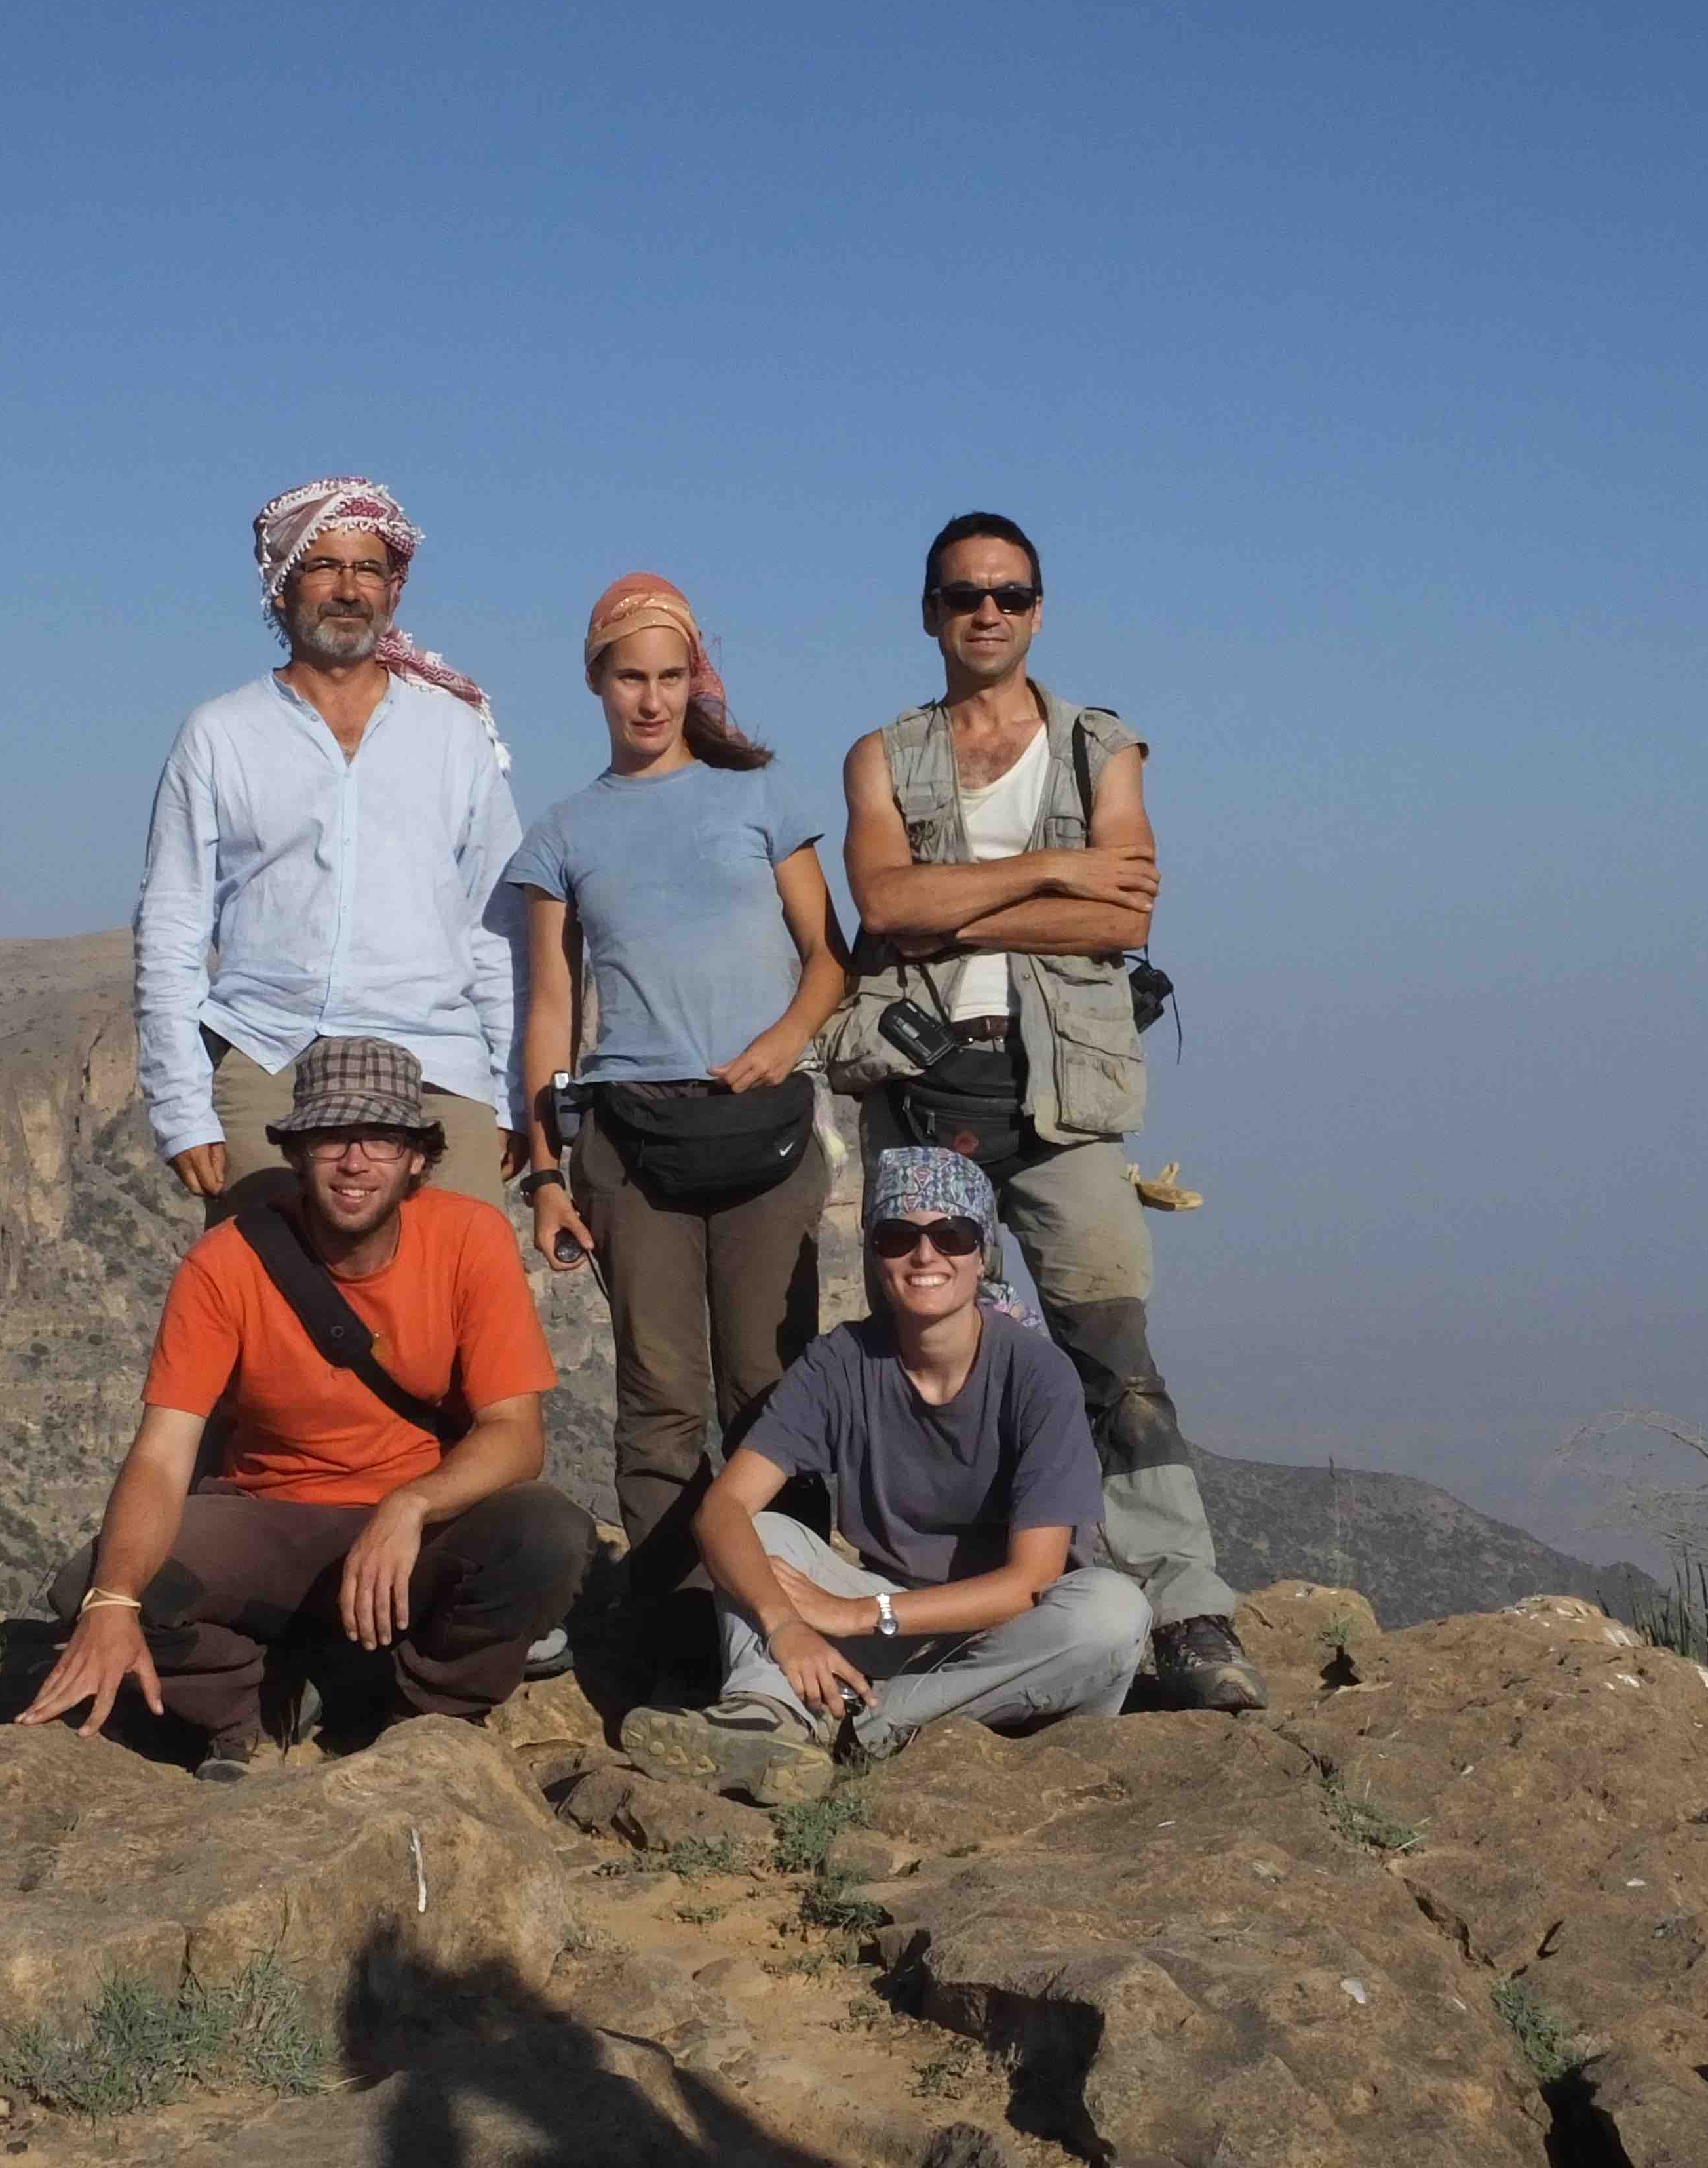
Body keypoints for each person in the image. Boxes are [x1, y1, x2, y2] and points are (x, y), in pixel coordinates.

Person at [822, 510, 1264, 1714]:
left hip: (1063, 1092)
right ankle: (945, 1594)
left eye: (1009, 595)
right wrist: (1046, 869)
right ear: (928, 611)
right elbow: (880, 903)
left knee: (1111, 1356)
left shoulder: (1100, 749)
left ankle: (1184, 1610)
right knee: (926, 1353)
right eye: (963, 594)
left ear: (1036, 610)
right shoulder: (882, 755)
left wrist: (959, 899)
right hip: (922, 1082)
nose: (986, 612)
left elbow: (1121, 920)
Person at [17, 1038, 592, 1775]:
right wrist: (115, 1600)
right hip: (274, 1515)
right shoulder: (226, 1261)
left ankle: (425, 1720)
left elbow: (516, 1436)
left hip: (417, 1532)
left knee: (547, 1536)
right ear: (296, 1152)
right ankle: (250, 1709)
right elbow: (163, 1455)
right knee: (93, 1587)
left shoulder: (468, 1237)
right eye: (330, 1138)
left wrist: (410, 1505)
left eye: (381, 1138)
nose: (355, 1163)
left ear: (418, 1156)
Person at [505, 574, 847, 1642]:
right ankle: (679, 1634)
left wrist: (782, 1041)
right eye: (627, 678)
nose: (649, 700)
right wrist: (549, 1172)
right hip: (627, 1143)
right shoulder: (563, 833)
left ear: (691, 678)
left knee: (768, 1385)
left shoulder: (761, 798)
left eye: (667, 676)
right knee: (658, 1394)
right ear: (596, 683)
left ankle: (795, 1616)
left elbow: (826, 958)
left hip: (765, 1133)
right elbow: (549, 1011)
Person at [618, 1147, 1153, 1805]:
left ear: (981, 1253)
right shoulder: (842, 1362)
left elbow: (1031, 1582)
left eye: (950, 1235)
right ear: (875, 1253)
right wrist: (787, 1624)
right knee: (767, 1534)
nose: (925, 1256)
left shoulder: (1037, 1375)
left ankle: (868, 1724)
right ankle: (764, 1716)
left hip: (1005, 1645)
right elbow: (723, 1511)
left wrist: (856, 1614)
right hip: (891, 1621)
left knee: (1112, 1612)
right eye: (899, 1237)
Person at [134, 475, 526, 1221]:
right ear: (283, 589)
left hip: (437, 1063)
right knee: (278, 1315)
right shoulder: (220, 734)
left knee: (454, 1311)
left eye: (368, 570)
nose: (348, 589)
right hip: (272, 1055)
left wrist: (510, 1092)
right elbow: (170, 929)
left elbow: (496, 931)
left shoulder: (453, 736)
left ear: (393, 592)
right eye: (324, 567)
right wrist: (182, 1106)